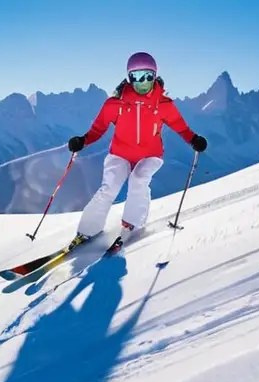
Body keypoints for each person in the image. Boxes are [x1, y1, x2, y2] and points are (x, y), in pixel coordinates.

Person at [66, 51, 207, 251]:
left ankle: (131, 224)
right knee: (109, 187)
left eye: (147, 76)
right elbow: (98, 129)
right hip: (120, 154)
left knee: (139, 179)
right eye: (137, 77)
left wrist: (193, 139)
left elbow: (180, 127)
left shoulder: (164, 104)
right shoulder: (115, 104)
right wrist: (82, 141)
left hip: (150, 155)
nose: (143, 82)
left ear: (155, 76)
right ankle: (87, 231)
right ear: (129, 78)